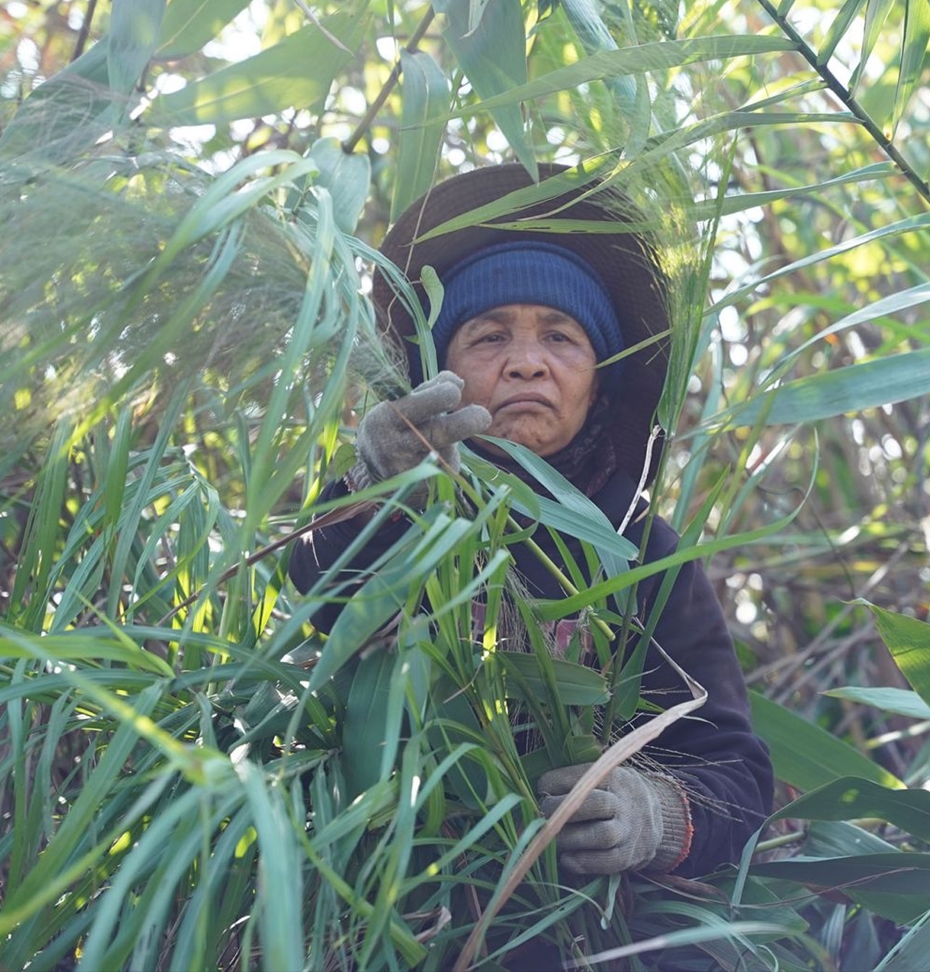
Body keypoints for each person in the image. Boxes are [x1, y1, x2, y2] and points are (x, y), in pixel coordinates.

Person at [288, 163, 773, 878]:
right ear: (437, 369)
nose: (526, 365)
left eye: (560, 338)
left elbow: (737, 775)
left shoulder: (643, 552)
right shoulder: (397, 507)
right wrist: (383, 489)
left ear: (599, 378)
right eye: (488, 339)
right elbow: (317, 593)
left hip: (593, 927)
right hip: (400, 900)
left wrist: (651, 816)